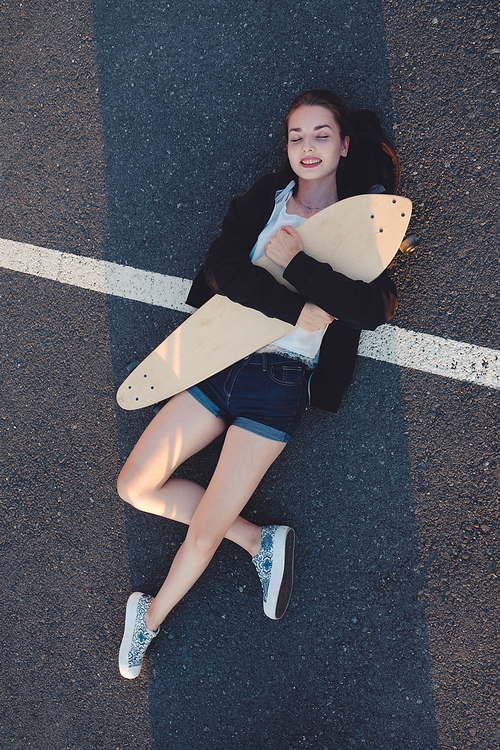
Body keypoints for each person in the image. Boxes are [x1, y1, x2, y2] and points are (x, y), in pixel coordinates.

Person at [117, 90, 399, 679]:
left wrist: (299, 265)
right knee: (134, 485)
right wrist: (296, 308)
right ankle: (255, 542)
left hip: (279, 383)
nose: (307, 147)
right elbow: (222, 270)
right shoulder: (263, 202)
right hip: (220, 360)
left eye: (321, 135)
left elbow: (370, 308)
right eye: (297, 136)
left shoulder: (359, 223)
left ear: (344, 146)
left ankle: (149, 618)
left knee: (201, 533)